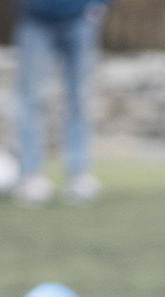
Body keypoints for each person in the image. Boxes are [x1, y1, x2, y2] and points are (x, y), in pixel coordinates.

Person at [11, 0, 111, 205]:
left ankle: (79, 173)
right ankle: (32, 175)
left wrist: (100, 5)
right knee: (31, 99)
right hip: (35, 18)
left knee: (79, 99)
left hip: (80, 17)